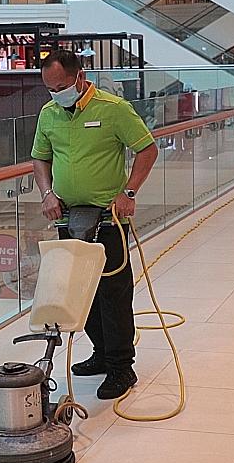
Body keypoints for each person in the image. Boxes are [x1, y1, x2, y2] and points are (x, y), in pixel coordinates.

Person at [31, 49, 158, 399]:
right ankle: (101, 353)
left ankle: (121, 367)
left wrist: (129, 192)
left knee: (113, 292)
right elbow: (40, 157)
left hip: (107, 218)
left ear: (80, 77)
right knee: (78, 290)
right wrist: (46, 193)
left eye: (61, 87)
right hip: (67, 217)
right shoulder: (49, 114)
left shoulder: (113, 109)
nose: (56, 94)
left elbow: (147, 149)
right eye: (50, 88)